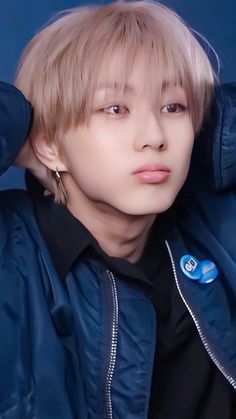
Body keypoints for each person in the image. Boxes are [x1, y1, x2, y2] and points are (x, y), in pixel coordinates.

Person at [0, 1, 236, 418]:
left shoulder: (216, 224)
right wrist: (21, 121)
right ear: (49, 144)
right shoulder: (9, 253)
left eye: (173, 107)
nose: (154, 136)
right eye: (115, 108)